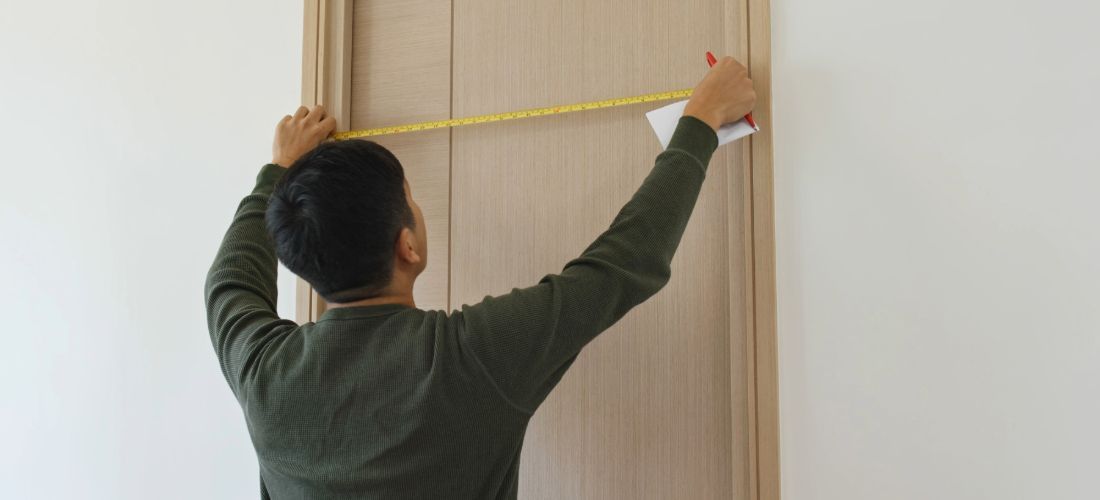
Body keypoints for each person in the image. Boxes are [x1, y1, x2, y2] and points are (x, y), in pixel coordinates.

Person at [205, 56, 755, 499]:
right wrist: (700, 123)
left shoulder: (261, 373)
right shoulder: (472, 359)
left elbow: (230, 282)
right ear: (409, 246)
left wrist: (277, 176)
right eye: (412, 201)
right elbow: (624, 263)